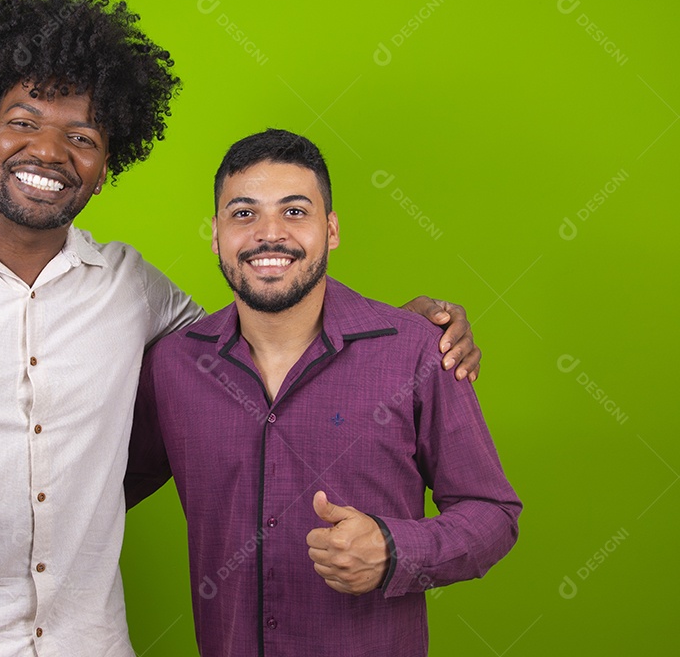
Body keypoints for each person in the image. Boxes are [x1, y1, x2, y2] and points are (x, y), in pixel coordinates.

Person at [0, 0, 482, 656]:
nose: (48, 150)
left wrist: (398, 329)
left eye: (83, 136)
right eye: (23, 121)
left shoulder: (133, 287)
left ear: (108, 165)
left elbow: (262, 339)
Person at [126, 129, 520, 657]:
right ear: (216, 235)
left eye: (295, 212)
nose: (270, 234)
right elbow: (95, 494)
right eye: (244, 213)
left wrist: (395, 550)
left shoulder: (418, 353)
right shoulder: (173, 366)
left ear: (330, 230)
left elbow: (492, 511)